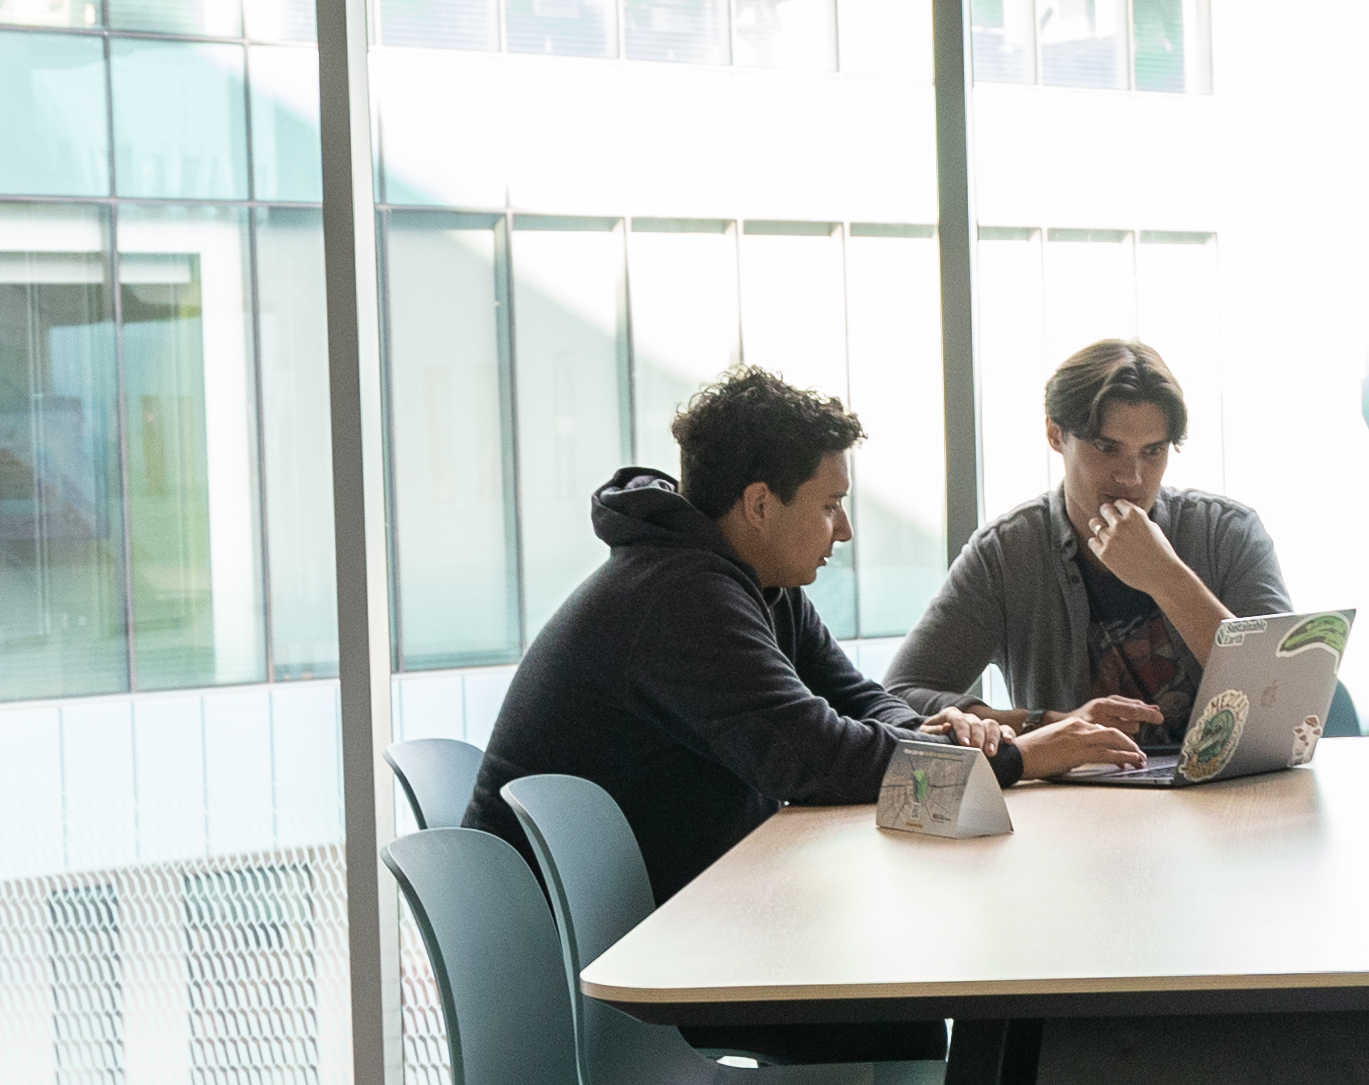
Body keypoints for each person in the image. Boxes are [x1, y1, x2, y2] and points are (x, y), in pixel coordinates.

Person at [890, 336, 1357, 1085]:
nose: (1133, 479)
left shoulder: (1220, 533)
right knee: (1133, 1014)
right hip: (1096, 870)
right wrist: (1045, 726)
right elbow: (906, 699)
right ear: (1057, 438)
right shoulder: (1010, 552)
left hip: (1251, 857)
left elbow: (1291, 687)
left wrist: (1165, 575)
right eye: (1107, 451)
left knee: (1365, 1019)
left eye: (1154, 454)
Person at [476, 364, 1141, 909]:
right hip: (610, 948)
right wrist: (1018, 758)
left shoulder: (753, 581)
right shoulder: (681, 597)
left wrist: (939, 735)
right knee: (896, 993)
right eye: (829, 505)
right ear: (761, 505)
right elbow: (819, 758)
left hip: (672, 904)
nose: (844, 531)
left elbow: (857, 698)